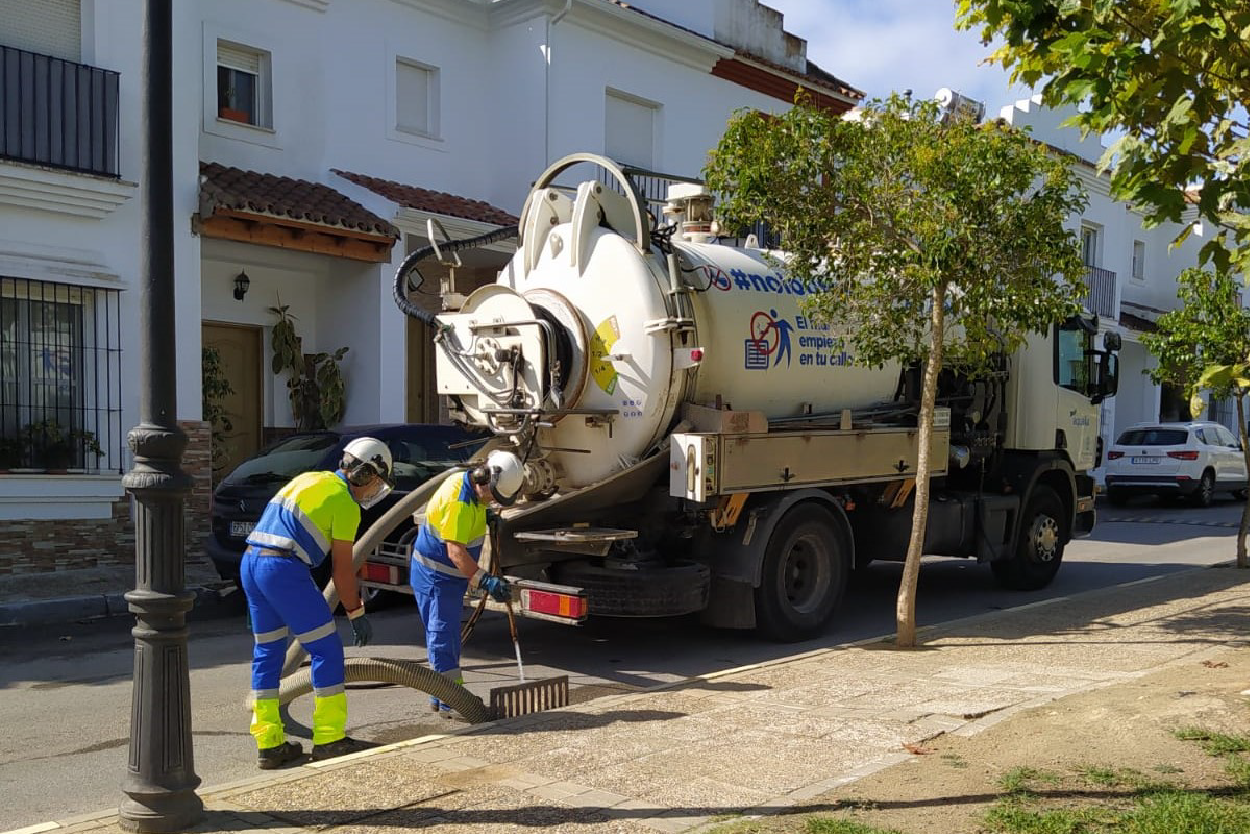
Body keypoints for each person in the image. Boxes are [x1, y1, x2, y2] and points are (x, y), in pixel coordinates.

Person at [241, 437, 393, 769]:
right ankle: (329, 739)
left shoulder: (310, 478)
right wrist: (356, 612)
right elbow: (343, 570)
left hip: (251, 563)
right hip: (283, 569)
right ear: (366, 473)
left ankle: (269, 744)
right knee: (327, 650)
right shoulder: (345, 503)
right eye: (377, 481)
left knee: (268, 652)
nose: (375, 490)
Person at [410, 449, 523, 713]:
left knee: (446, 637)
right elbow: (456, 553)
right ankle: (452, 702)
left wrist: (486, 516)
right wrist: (487, 582)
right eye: (493, 496)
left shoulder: (470, 487)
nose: (493, 501)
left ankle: (441, 695)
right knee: (442, 637)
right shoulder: (459, 502)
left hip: (447, 577)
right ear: (484, 478)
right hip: (437, 577)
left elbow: (473, 510)